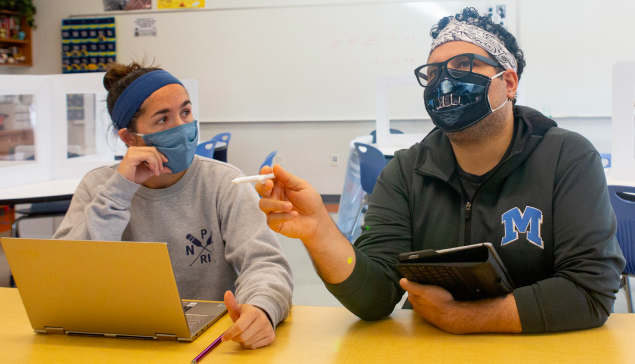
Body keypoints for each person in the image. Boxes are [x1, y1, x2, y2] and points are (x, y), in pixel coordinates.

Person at [255, 8, 625, 334]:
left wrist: (467, 319)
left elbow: (590, 289)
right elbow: (376, 296)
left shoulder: (568, 158)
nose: (444, 82)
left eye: (464, 65)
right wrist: (320, 230)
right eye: (433, 73)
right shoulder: (404, 171)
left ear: (508, 83)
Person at [53, 61, 293, 348]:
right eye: (163, 120)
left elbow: (265, 263)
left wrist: (262, 307)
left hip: (210, 342)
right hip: (121, 340)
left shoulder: (224, 183)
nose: (182, 128)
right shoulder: (98, 187)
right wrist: (119, 191)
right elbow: (64, 277)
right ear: (130, 137)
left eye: (186, 112)